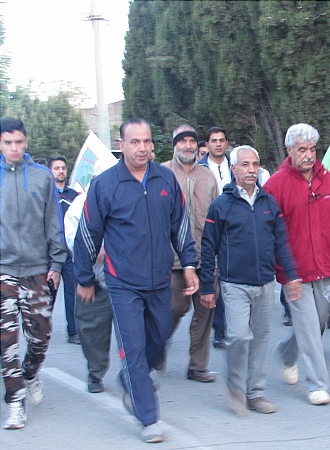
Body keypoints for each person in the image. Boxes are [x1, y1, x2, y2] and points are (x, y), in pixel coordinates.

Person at [74, 118, 199, 443]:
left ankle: (130, 378)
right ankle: (148, 417)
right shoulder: (105, 185)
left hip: (159, 279)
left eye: (146, 141)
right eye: (135, 142)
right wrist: (84, 277)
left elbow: (180, 225)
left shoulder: (165, 179)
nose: (142, 148)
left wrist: (189, 264)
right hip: (122, 282)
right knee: (133, 347)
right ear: (122, 145)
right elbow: (88, 233)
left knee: (158, 340)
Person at [201, 145, 301, 415]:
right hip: (234, 284)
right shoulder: (221, 205)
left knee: (260, 339)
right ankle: (235, 388)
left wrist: (291, 276)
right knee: (238, 336)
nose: (251, 170)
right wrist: (207, 286)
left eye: (255, 164)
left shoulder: (269, 203)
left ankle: (255, 394)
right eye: (245, 164)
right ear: (233, 169)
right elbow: (208, 247)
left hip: (265, 283)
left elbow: (281, 242)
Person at [264, 123, 330, 406]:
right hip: (294, 273)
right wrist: (281, 271)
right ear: (289, 150)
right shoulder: (275, 186)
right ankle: (317, 385)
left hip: (325, 268)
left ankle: (287, 352)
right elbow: (269, 233)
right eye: (302, 149)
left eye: (313, 149)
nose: (308, 155)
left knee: (318, 323)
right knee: (309, 326)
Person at [0, 118, 68, 429]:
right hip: (3, 271)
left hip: (37, 269)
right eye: (7, 143)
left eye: (18, 142)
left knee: (40, 335)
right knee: (6, 341)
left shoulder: (41, 176)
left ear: (26, 142)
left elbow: (54, 222)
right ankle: (15, 403)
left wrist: (56, 264)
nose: (13, 148)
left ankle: (30, 372)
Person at [162, 124, 219, 382]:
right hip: (172, 260)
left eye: (192, 141)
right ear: (174, 145)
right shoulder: (161, 173)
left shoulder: (208, 177)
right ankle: (157, 347)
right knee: (173, 308)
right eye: (182, 141)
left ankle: (197, 366)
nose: (188, 146)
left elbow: (217, 217)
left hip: (205, 257)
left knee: (206, 310)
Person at [64, 159, 117, 393]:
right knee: (92, 330)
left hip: (125, 278)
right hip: (94, 279)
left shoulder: (125, 198)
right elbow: (73, 240)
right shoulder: (79, 205)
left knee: (136, 330)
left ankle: (137, 374)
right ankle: (95, 372)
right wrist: (94, 255)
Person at [198, 126, 232, 348]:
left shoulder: (236, 165)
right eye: (214, 140)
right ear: (207, 144)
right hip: (208, 227)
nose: (218, 144)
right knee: (215, 278)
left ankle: (233, 326)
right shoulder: (199, 169)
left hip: (233, 228)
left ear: (226, 143)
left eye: (221, 140)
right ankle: (219, 329)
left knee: (230, 278)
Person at [48, 155, 80, 345]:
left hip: (69, 252)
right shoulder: (46, 194)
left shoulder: (73, 195)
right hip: (50, 253)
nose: (61, 171)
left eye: (63, 168)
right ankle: (40, 329)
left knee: (71, 292)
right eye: (56, 168)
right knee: (47, 293)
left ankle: (74, 331)